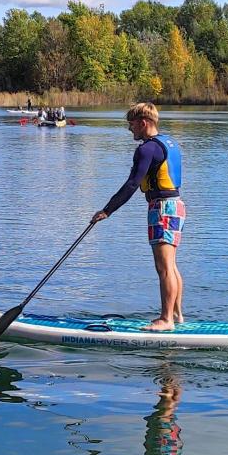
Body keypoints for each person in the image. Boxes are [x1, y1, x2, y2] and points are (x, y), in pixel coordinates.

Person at [92, 102, 184, 331]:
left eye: (131, 124)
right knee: (171, 266)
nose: (129, 129)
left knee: (164, 268)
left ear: (143, 123)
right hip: (176, 206)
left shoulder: (146, 149)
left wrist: (107, 210)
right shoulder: (169, 142)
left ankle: (166, 320)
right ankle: (177, 315)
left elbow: (132, 184)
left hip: (162, 208)